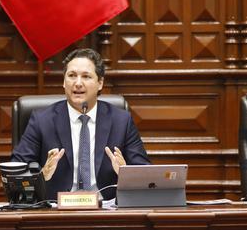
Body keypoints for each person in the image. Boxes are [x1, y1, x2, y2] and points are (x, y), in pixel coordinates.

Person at [11, 48, 150, 200]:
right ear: (64, 82)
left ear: (100, 83)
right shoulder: (42, 120)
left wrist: (126, 173)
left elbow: (146, 176)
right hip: (57, 212)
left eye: (86, 76)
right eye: (71, 76)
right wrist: (42, 175)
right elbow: (15, 174)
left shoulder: (121, 121)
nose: (77, 83)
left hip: (106, 211)